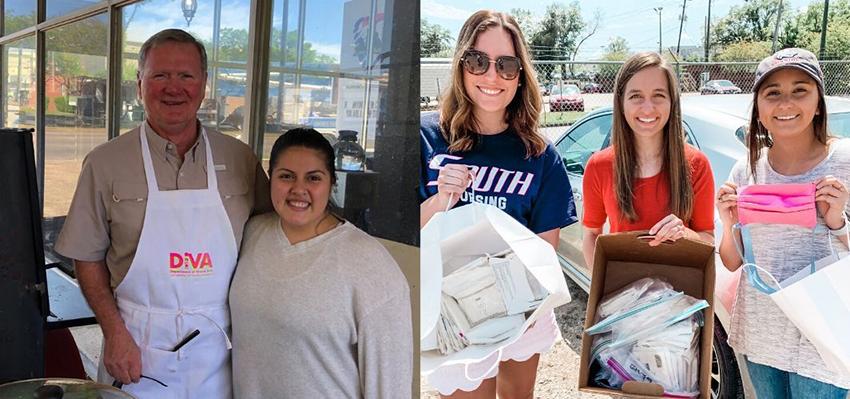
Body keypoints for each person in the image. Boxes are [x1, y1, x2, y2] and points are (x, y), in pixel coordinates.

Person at [55, 29, 271, 398]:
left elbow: (271, 239)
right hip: (136, 346)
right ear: (140, 84)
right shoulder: (105, 163)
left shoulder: (239, 159)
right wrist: (114, 333)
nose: (174, 88)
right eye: (160, 76)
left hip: (222, 349)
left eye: (186, 76)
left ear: (203, 85)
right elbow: (87, 258)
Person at [419, 10, 577, 399]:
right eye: (478, 61)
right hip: (451, 310)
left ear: (520, 75)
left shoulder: (539, 154)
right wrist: (441, 200)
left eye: (507, 65)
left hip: (521, 306)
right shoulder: (426, 138)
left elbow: (546, 250)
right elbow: (401, 236)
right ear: (461, 65)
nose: (491, 76)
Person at [229, 128, 412, 398]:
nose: (298, 189)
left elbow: (391, 384)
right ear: (270, 180)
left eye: (313, 178)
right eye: (286, 176)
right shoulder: (251, 233)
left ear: (332, 183)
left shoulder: (369, 263)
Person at [716, 48, 850, 398]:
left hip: (823, 338)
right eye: (772, 93)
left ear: (819, 102)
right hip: (761, 333)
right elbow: (732, 261)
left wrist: (839, 222)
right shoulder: (746, 170)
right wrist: (727, 219)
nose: (785, 103)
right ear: (758, 109)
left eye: (800, 90)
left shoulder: (845, 160)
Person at [581, 52, 715, 268]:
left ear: (672, 101)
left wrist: (685, 234)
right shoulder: (599, 166)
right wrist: (601, 289)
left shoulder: (697, 164)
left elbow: (708, 239)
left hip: (682, 294)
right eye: (635, 96)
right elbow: (591, 235)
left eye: (659, 95)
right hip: (624, 294)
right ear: (621, 102)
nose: (647, 108)